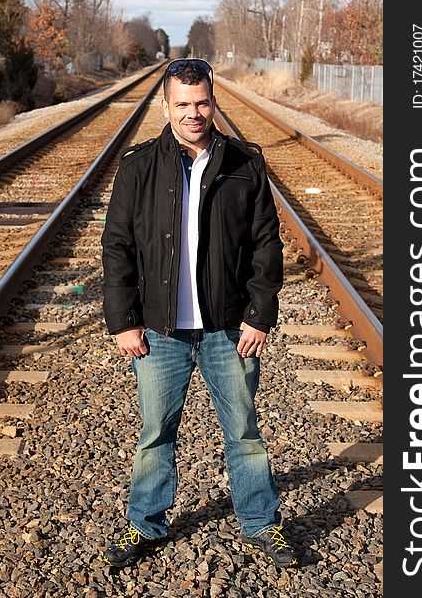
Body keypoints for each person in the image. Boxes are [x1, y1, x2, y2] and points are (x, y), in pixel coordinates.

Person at [101, 58, 297, 569]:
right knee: (155, 433)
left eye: (202, 102)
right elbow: (117, 247)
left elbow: (265, 247)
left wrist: (260, 314)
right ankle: (145, 525)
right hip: (159, 330)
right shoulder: (138, 166)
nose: (193, 113)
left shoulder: (243, 164)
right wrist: (123, 321)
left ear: (214, 102)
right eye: (182, 104)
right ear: (165, 106)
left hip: (229, 328)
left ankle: (262, 524)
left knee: (244, 432)